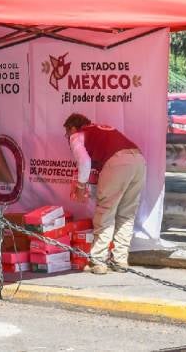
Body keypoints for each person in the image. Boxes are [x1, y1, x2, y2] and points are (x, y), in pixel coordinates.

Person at [64, 113, 146, 275]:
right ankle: (120, 260)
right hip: (139, 161)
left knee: (105, 213)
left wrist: (80, 186)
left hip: (117, 163)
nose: (67, 136)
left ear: (72, 128)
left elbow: (85, 162)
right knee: (126, 215)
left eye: (67, 132)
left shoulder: (77, 135)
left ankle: (99, 261)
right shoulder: (100, 129)